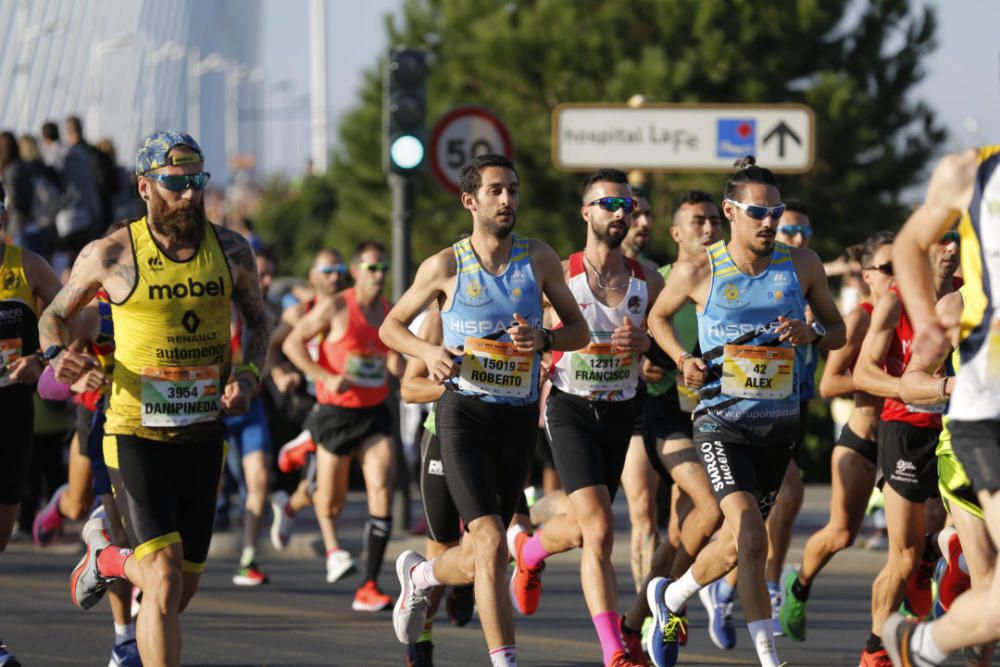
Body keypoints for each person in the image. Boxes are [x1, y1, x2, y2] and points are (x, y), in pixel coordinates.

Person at [39, 130, 267, 667]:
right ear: (145, 186)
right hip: (133, 432)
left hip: (203, 433)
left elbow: (258, 320)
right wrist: (56, 356)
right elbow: (53, 315)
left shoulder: (231, 249)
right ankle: (114, 566)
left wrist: (251, 376)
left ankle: (106, 560)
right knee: (161, 574)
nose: (189, 194)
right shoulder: (112, 253)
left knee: (175, 595)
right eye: (175, 183)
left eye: (196, 182)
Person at [380, 154, 589, 667]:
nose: (507, 200)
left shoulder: (538, 259)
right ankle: (504, 661)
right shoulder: (445, 266)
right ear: (469, 201)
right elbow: (391, 328)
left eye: (513, 190)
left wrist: (543, 337)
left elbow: (579, 332)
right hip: (463, 417)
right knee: (491, 539)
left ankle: (422, 576)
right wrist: (428, 353)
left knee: (485, 555)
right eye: (496, 191)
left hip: (516, 421)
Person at [645, 156, 845, 667]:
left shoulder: (801, 265)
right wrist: (682, 358)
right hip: (719, 423)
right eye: (758, 212)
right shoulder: (699, 267)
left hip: (778, 428)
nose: (769, 222)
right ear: (731, 212)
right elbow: (657, 318)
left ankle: (670, 597)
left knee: (738, 548)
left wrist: (812, 334)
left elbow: (838, 331)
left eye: (775, 212)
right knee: (752, 536)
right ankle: (768, 658)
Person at [505, 169, 660, 667]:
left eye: (626, 205)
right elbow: (522, 329)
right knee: (600, 530)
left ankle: (528, 553)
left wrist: (647, 345)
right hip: (570, 405)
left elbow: (662, 353)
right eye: (608, 204)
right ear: (586, 212)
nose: (619, 213)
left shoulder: (647, 279)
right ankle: (614, 650)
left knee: (580, 527)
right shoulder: (559, 273)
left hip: (621, 409)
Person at [882, 146, 1000, 666]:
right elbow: (909, 244)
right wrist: (927, 321)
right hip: (985, 412)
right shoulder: (971, 171)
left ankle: (921, 644)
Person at [779, 231, 895, 642]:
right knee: (842, 534)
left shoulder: (915, 311)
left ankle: (897, 631)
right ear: (867, 276)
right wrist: (887, 383)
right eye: (888, 269)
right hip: (863, 438)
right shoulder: (861, 317)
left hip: (907, 440)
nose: (897, 277)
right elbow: (829, 385)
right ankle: (800, 583)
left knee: (913, 544)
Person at [622, 191, 724, 653]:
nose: (709, 229)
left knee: (684, 529)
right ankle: (674, 605)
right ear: (677, 233)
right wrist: (646, 361)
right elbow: (626, 339)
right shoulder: (656, 281)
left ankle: (633, 622)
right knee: (708, 510)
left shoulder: (734, 277)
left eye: (714, 221)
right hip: (665, 414)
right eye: (698, 221)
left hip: (716, 411)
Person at [852, 226, 959, 667]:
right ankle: (875, 647)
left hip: (953, 431)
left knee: (963, 540)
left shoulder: (968, 298)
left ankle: (933, 568)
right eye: (943, 238)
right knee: (902, 555)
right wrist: (919, 388)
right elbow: (862, 373)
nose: (951, 248)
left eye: (958, 239)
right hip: (905, 431)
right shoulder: (897, 298)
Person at [282, 240, 403, 610]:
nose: (379, 275)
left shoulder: (388, 312)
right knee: (331, 504)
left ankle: (368, 585)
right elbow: (291, 344)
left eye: (383, 268)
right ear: (355, 271)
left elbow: (395, 362)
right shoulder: (337, 307)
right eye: (371, 268)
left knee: (382, 482)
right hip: (336, 414)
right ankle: (298, 482)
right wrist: (324, 375)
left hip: (372, 413)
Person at [0, 181, 63, 667]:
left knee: (0, 533)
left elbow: (69, 323)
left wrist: (41, 363)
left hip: (12, 410)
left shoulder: (28, 267)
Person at [226, 247, 281, 586]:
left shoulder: (269, 315)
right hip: (211, 406)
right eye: (260, 273)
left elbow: (272, 357)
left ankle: (248, 557)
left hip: (249, 407)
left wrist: (268, 374)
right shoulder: (216, 308)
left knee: (259, 477)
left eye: (270, 274)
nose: (267, 280)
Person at [619, 189, 663, 596]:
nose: (644, 223)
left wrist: (653, 356)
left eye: (648, 215)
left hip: (636, 406)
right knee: (577, 516)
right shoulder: (578, 271)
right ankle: (527, 534)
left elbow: (660, 337)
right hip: (586, 403)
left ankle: (642, 617)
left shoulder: (653, 275)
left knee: (643, 512)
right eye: (637, 214)